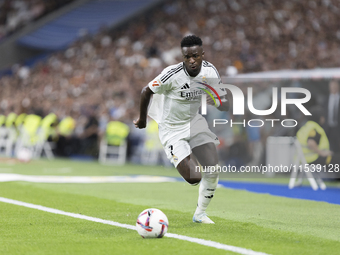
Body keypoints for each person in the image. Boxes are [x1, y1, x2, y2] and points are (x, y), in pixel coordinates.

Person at [134, 35, 229, 224]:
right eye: (187, 57)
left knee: (213, 168)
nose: (191, 60)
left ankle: (200, 214)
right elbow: (146, 91)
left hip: (194, 122)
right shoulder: (172, 74)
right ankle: (181, 155)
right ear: (182, 56)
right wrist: (143, 119)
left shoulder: (210, 72)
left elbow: (225, 103)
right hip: (172, 129)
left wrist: (218, 102)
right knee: (194, 177)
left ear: (202, 54)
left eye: (195, 56)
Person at [297, 106, 340, 178]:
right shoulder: (314, 128)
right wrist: (322, 153)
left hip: (302, 158)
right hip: (312, 158)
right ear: (319, 117)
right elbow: (311, 142)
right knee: (337, 159)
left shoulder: (305, 126)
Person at [325, 80, 340, 153]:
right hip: (329, 127)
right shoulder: (326, 98)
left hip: (338, 127)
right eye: (332, 86)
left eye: (335, 86)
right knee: (330, 147)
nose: (333, 88)